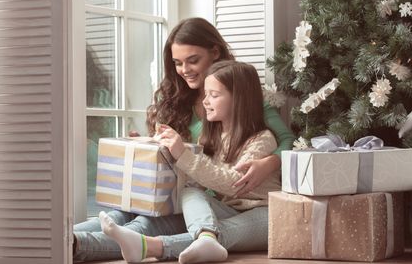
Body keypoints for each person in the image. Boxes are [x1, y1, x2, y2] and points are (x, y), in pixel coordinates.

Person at [73, 17, 295, 262]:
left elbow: (287, 142)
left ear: (214, 52)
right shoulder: (182, 104)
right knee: (126, 214)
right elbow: (186, 162)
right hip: (192, 196)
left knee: (150, 224)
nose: (184, 70)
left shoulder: (249, 108)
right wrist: (148, 147)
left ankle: (81, 245)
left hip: (222, 201)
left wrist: (270, 163)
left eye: (193, 60)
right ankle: (67, 239)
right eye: (177, 63)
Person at [97, 60, 281, 263]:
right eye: (206, 94)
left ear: (239, 100)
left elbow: (234, 184)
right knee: (191, 192)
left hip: (264, 213)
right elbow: (197, 181)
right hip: (228, 209)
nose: (205, 101)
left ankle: (149, 246)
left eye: (214, 95)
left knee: (223, 232)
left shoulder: (262, 139)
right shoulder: (212, 136)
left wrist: (182, 154)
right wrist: (164, 151)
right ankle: (205, 237)